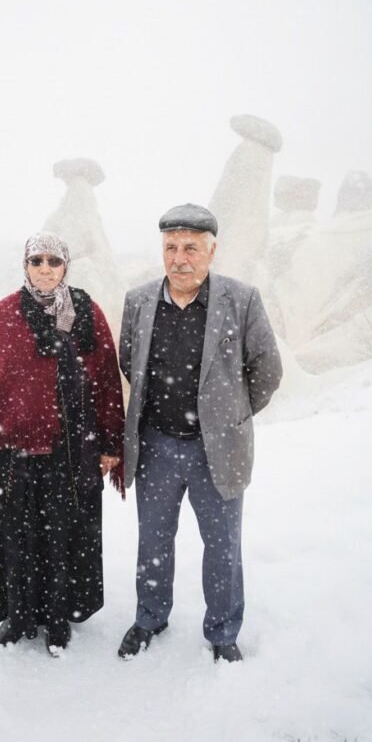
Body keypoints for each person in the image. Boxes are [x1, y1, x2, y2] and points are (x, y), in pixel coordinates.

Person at [117, 203, 282, 662]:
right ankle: (150, 617)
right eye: (171, 247)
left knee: (223, 546)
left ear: (212, 250)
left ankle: (223, 632)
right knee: (153, 541)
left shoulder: (241, 300)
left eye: (191, 248)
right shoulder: (139, 301)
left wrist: (229, 416)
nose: (179, 258)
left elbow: (267, 370)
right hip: (156, 446)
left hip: (217, 449)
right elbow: (129, 363)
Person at [0, 233, 124, 656]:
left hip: (70, 452)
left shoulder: (86, 313)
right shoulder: (6, 314)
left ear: (66, 266)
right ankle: (18, 617)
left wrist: (110, 442)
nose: (46, 268)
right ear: (26, 266)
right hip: (13, 453)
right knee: (16, 537)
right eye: (37, 260)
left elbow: (106, 381)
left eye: (54, 261)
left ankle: (56, 619)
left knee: (61, 537)